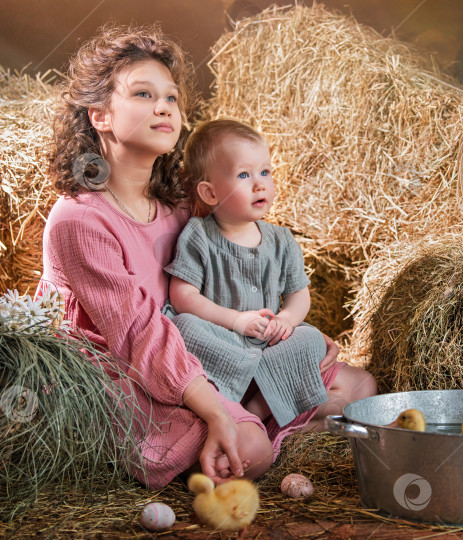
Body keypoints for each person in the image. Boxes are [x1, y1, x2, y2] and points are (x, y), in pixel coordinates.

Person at [37, 23, 376, 490]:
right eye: (142, 94)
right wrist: (216, 410)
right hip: (127, 376)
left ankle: (261, 420)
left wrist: (296, 338)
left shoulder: (180, 207)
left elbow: (240, 269)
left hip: (206, 357)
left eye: (171, 98)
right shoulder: (80, 221)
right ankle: (259, 432)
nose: (163, 107)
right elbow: (141, 335)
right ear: (99, 115)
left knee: (359, 389)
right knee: (247, 449)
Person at [164, 119, 327, 429]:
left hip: (268, 340)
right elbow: (182, 295)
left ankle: (254, 409)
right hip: (222, 336)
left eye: (265, 172)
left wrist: (286, 321)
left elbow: (298, 295)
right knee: (183, 327)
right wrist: (236, 320)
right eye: (244, 175)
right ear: (210, 193)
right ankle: (228, 399)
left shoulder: (281, 240)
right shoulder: (199, 235)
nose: (260, 184)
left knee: (311, 337)